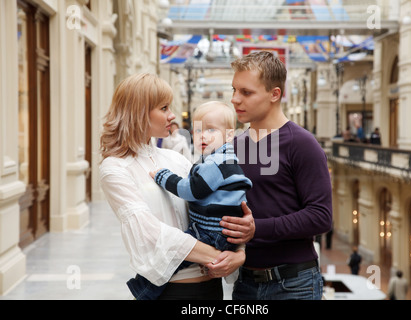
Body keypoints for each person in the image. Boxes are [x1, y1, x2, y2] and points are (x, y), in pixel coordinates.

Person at [99, 73, 255, 300]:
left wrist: (240, 250)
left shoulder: (177, 160)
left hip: (212, 289)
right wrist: (220, 256)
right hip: (170, 292)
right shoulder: (115, 169)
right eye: (163, 108)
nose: (172, 116)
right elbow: (152, 234)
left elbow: (216, 211)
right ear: (139, 112)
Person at [230, 50, 333, 300]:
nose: (234, 99)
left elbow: (321, 217)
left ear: (275, 94)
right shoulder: (234, 146)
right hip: (245, 284)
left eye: (246, 92)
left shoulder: (302, 144)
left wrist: (257, 229)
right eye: (233, 90)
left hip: (293, 285)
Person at [145, 101, 253, 300]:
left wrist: (164, 177)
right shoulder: (217, 159)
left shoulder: (218, 163)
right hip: (218, 231)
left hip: (212, 232)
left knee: (170, 260)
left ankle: (141, 291)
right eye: (197, 130)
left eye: (211, 129)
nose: (202, 135)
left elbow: (191, 189)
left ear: (229, 135)